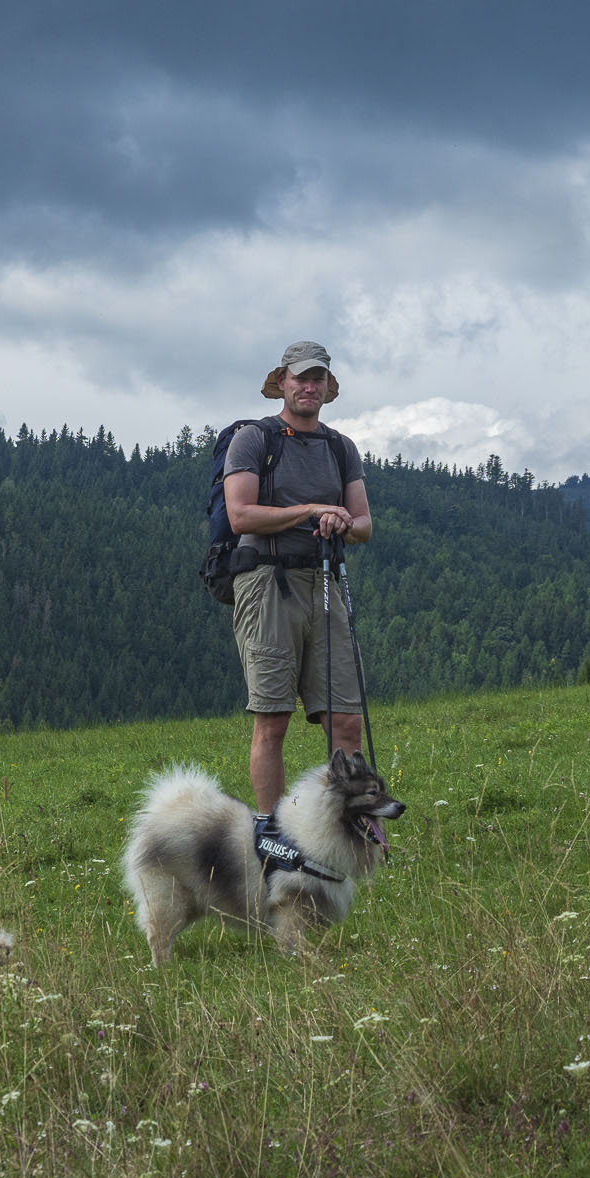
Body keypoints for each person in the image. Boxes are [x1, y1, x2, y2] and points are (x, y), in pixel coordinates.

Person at [221, 340, 372, 830]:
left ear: (328, 389)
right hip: (266, 582)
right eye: (301, 378)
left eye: (319, 379)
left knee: (345, 719)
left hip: (324, 580)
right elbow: (239, 513)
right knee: (273, 717)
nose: (310, 386)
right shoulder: (253, 440)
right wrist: (311, 510)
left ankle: (347, 825)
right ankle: (271, 833)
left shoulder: (339, 447)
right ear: (282, 382)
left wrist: (342, 521)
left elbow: (366, 525)